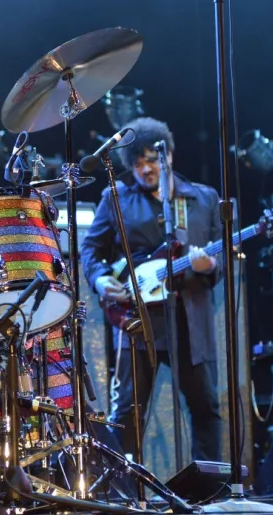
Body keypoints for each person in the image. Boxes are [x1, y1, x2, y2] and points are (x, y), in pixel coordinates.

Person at [80, 116, 224, 462]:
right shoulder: (115, 198)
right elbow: (91, 249)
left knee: (206, 407)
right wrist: (100, 279)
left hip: (191, 320)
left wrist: (211, 266)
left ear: (168, 155)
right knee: (127, 413)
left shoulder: (203, 199)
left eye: (151, 160)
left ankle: (209, 493)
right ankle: (126, 493)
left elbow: (223, 252)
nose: (145, 169)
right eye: (137, 163)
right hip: (137, 320)